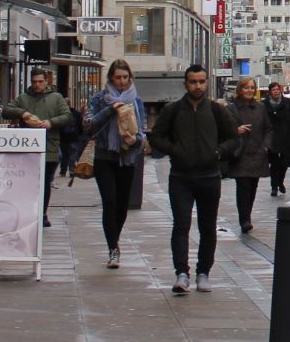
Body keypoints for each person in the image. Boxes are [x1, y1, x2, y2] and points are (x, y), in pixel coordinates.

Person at [149, 65, 243, 294]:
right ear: (185, 84)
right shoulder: (173, 110)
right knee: (181, 225)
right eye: (193, 82)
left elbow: (233, 138)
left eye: (201, 81)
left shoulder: (216, 110)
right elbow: (156, 137)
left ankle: (204, 272)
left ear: (207, 83)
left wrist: (218, 153)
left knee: (207, 227)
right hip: (181, 176)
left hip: (209, 176)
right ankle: (182, 273)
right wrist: (175, 150)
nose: (197, 86)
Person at [84, 59, 146, 269]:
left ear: (130, 79)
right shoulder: (100, 99)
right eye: (117, 77)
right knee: (109, 202)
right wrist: (110, 109)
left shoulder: (136, 101)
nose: (121, 81)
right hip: (104, 157)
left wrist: (135, 140)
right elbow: (89, 125)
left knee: (121, 205)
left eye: (125, 78)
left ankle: (115, 240)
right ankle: (113, 247)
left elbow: (142, 134)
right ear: (111, 78)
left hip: (127, 157)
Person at [3, 68, 73, 227]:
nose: (37, 85)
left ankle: (42, 214)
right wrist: (23, 113)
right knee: (28, 182)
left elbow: (67, 116)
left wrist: (51, 122)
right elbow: (6, 111)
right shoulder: (23, 98)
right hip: (27, 148)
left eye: (40, 81)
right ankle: (27, 212)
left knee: (45, 182)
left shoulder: (56, 98)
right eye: (34, 82)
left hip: (50, 147)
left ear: (46, 81)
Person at [225, 77, 272, 234]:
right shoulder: (231, 109)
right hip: (240, 153)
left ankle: (247, 215)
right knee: (243, 187)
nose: (250, 90)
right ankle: (244, 219)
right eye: (246, 88)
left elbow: (268, 129)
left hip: (258, 152)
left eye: (252, 88)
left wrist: (266, 146)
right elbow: (223, 129)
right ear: (240, 90)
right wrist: (236, 131)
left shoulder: (260, 108)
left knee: (252, 187)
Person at [264, 81, 290, 197]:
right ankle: (274, 186)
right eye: (273, 90)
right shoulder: (265, 104)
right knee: (275, 164)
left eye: (277, 89)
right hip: (272, 138)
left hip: (285, 136)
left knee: (284, 163)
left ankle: (280, 182)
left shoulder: (287, 102)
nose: (276, 91)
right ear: (270, 92)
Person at [58, 95, 85, 188]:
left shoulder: (60, 114)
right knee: (73, 155)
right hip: (74, 138)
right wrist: (80, 134)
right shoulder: (76, 113)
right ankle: (71, 170)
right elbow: (80, 125)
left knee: (64, 155)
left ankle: (62, 170)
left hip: (63, 138)